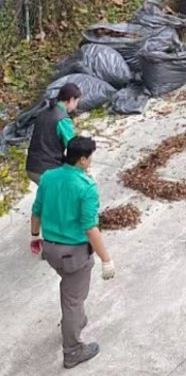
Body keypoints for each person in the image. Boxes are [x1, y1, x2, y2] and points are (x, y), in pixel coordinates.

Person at [30, 136, 115, 370]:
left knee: (70, 293)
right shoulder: (85, 187)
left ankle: (75, 320)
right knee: (73, 302)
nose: (91, 161)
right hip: (74, 254)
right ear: (83, 159)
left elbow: (36, 209)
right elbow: (90, 227)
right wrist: (106, 260)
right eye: (90, 157)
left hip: (51, 250)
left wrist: (35, 235)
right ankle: (73, 350)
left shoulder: (48, 177)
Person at [25, 82, 81, 184]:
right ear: (71, 100)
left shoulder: (44, 112)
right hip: (46, 170)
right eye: (77, 101)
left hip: (31, 167)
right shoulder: (62, 119)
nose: (76, 105)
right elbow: (73, 146)